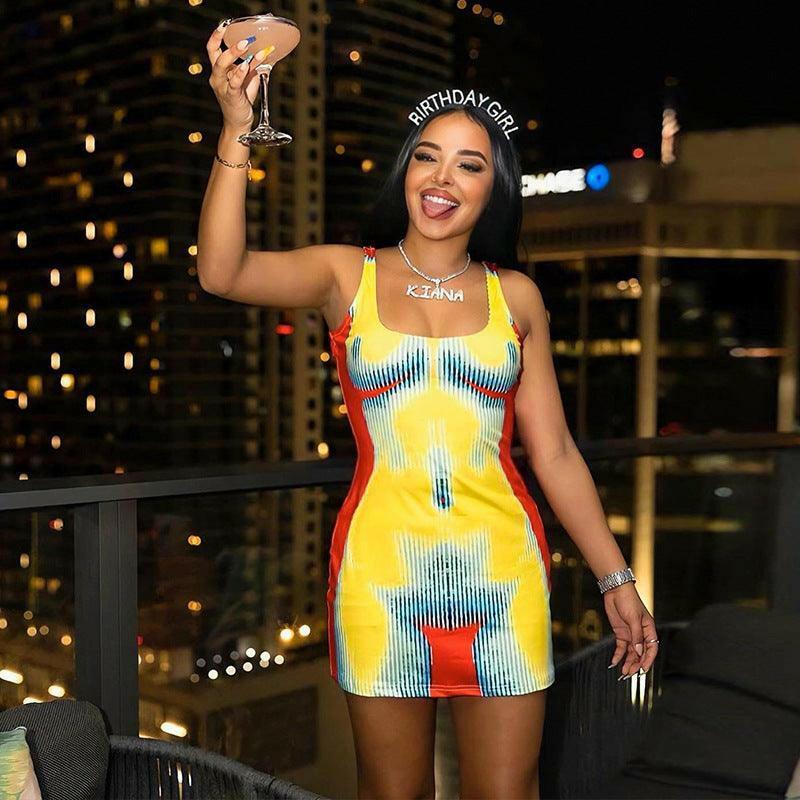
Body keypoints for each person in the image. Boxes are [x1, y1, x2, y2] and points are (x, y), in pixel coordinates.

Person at [199, 21, 659, 800]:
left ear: (493, 188)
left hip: (504, 579)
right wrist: (236, 131)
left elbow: (553, 454)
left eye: (469, 164)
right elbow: (222, 272)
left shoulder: (517, 297)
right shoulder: (345, 275)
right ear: (406, 170)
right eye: (427, 156)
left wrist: (615, 577)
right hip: (381, 581)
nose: (443, 177)